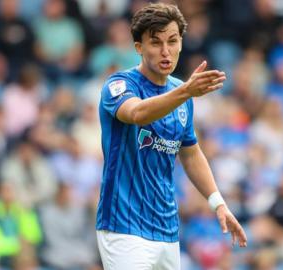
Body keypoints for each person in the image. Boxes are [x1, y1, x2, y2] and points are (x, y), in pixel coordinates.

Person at [95, 3, 247, 269]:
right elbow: (138, 113)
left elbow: (190, 153)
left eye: (172, 41)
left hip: (166, 230)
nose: (166, 51)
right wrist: (186, 92)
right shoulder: (119, 85)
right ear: (139, 48)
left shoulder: (181, 93)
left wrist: (218, 203)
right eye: (155, 43)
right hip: (124, 227)